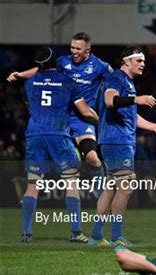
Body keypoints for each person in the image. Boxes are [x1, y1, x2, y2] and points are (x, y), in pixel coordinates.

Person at [8, 33, 113, 202]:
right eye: (72, 47)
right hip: (60, 116)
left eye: (78, 48)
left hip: (82, 118)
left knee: (92, 157)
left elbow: (115, 82)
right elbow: (40, 70)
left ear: (88, 49)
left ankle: (103, 194)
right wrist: (20, 74)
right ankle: (31, 191)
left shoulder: (101, 66)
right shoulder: (63, 62)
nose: (74, 51)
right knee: (45, 148)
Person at [88, 46, 156, 247]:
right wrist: (138, 99)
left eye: (143, 61)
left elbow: (130, 116)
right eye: (138, 60)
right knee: (126, 187)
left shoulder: (127, 82)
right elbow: (110, 101)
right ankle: (117, 237)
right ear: (126, 61)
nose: (143, 64)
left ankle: (97, 235)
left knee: (111, 188)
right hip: (117, 140)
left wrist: (153, 127)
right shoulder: (117, 78)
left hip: (115, 139)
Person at [20, 46, 99, 243]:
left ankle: (26, 232)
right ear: (55, 61)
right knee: (70, 180)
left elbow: (31, 106)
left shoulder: (29, 83)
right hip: (58, 133)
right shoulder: (67, 82)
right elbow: (85, 111)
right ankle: (76, 232)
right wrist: (97, 120)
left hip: (34, 134)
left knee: (33, 183)